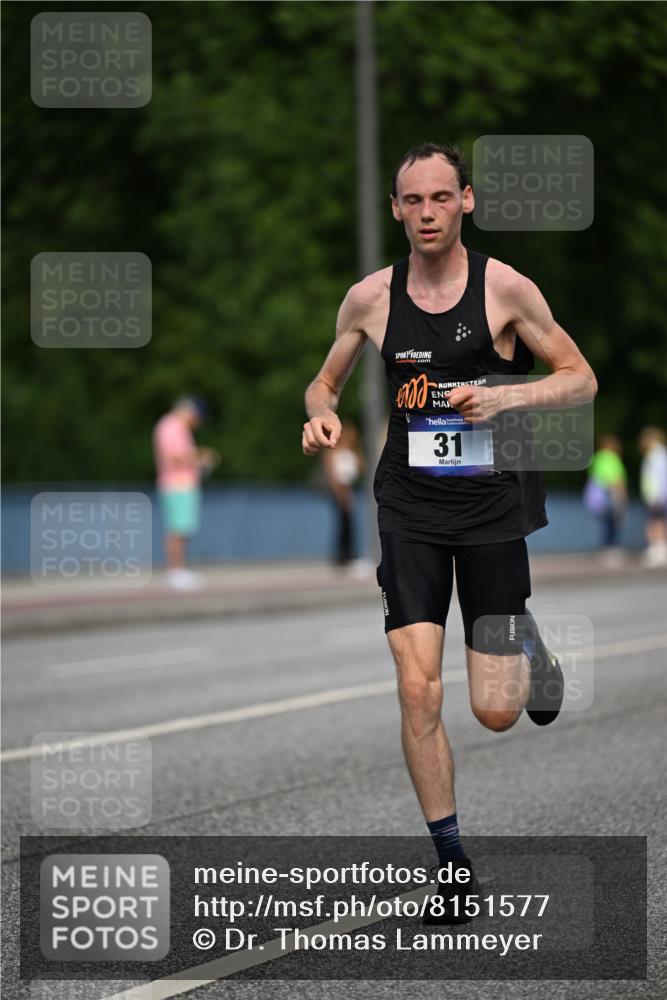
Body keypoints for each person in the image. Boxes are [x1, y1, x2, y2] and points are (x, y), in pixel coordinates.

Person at [302, 142, 597, 923]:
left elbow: (579, 377)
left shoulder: (504, 288)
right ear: (395, 209)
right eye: (412, 201)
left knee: (496, 711)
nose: (426, 213)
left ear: (464, 201)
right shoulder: (369, 297)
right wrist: (320, 412)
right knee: (415, 685)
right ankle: (452, 863)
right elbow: (324, 378)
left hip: (491, 502)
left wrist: (507, 401)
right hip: (407, 505)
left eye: (440, 198)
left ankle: (526, 641)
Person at [153, 397, 218, 590]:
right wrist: (201, 457)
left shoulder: (173, 425)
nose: (197, 422)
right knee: (177, 529)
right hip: (177, 484)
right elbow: (174, 457)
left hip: (180, 485)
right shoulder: (171, 426)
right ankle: (175, 571)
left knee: (182, 528)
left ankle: (178, 570)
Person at [322, 421, 363, 568]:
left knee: (350, 523)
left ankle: (350, 554)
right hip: (339, 491)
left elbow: (359, 468)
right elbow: (331, 473)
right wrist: (340, 493)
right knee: (342, 523)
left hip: (350, 489)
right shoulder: (333, 451)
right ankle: (341, 556)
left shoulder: (353, 451)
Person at [585, 434, 628, 564]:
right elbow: (614, 479)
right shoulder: (611, 458)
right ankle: (611, 550)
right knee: (613, 524)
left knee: (606, 524)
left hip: (600, 499)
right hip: (611, 495)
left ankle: (606, 549)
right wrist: (621, 497)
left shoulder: (597, 458)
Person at [638, 426, 667, 566]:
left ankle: (658, 548)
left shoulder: (657, 455)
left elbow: (659, 477)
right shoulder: (657, 454)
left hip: (656, 496)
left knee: (655, 522)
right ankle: (659, 547)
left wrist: (658, 496)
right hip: (656, 495)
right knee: (657, 521)